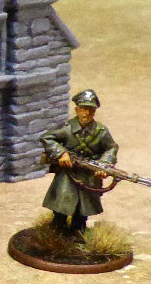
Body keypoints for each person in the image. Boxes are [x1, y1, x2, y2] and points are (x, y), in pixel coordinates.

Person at [40, 89, 118, 236]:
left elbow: (111, 148)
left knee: (82, 210)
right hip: (68, 174)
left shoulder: (101, 131)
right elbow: (47, 138)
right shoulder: (66, 128)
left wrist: (104, 165)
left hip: (88, 176)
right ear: (77, 110)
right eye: (83, 109)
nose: (87, 113)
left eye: (91, 110)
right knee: (61, 205)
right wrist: (61, 153)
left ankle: (78, 234)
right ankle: (56, 233)